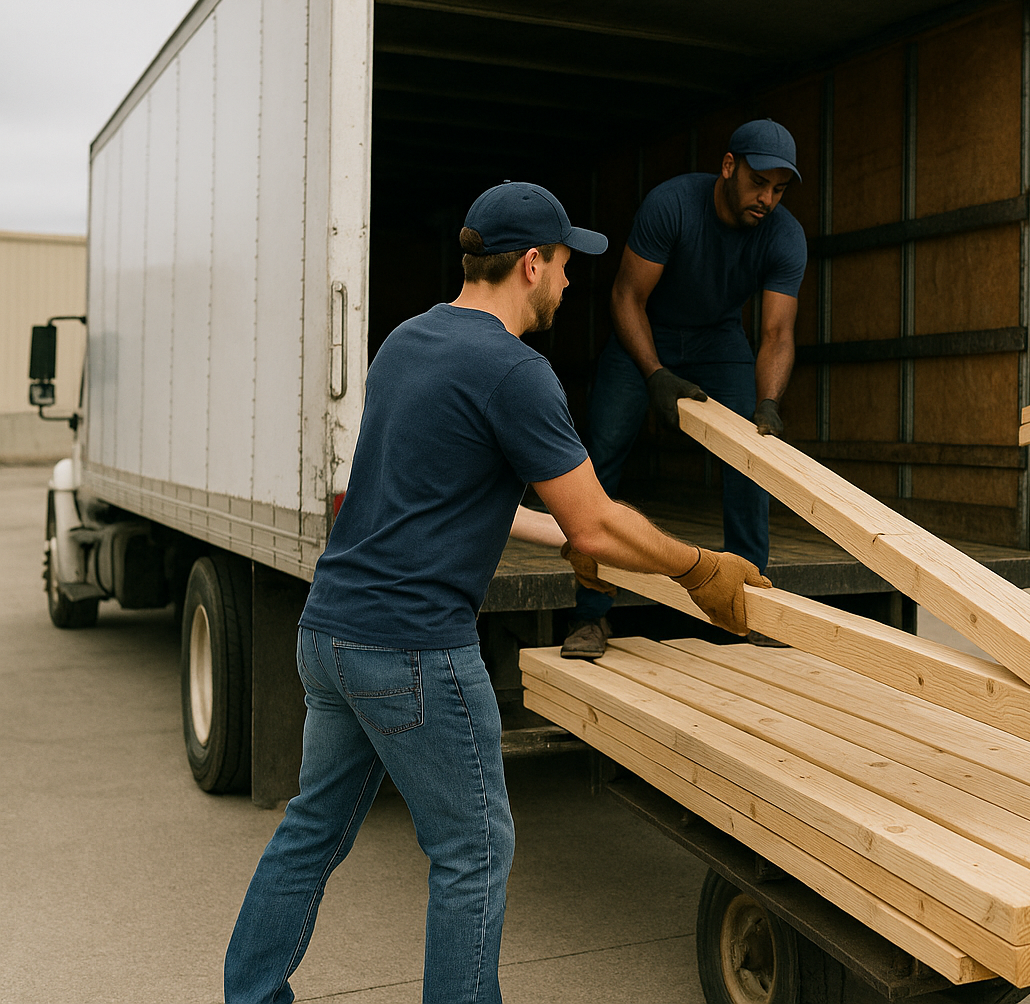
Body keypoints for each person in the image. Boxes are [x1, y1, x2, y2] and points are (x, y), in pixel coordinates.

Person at [223, 181, 770, 1004]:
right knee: (474, 852)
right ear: (528, 264)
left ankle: (250, 995)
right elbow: (594, 522)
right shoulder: (517, 372)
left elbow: (463, 497)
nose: (572, 281)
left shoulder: (409, 339)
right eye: (563, 264)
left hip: (331, 634)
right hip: (414, 647)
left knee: (310, 832)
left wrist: (584, 540)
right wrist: (695, 564)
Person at [561, 118, 808, 659]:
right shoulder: (671, 205)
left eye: (779, 189)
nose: (767, 198)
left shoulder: (785, 235)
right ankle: (589, 615)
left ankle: (747, 608)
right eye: (758, 182)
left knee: (750, 460)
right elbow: (626, 297)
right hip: (644, 333)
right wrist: (654, 375)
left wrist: (767, 402)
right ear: (728, 166)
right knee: (600, 458)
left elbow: (776, 332)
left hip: (718, 339)